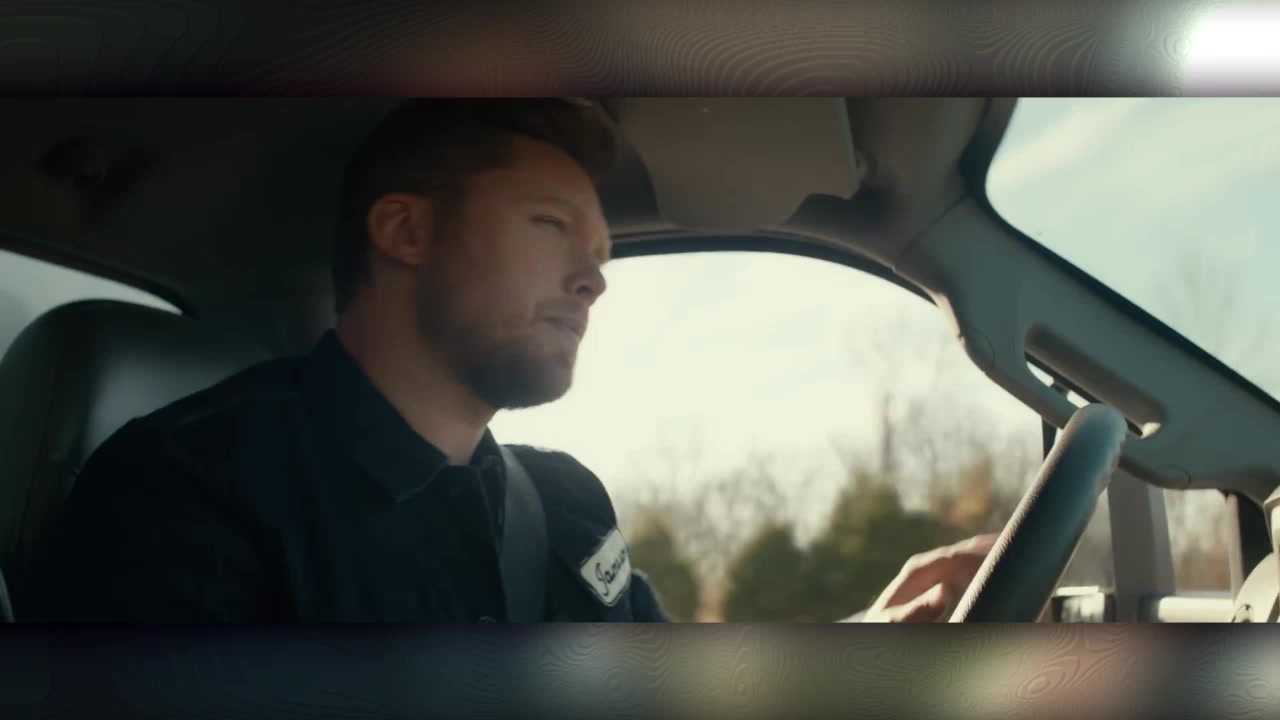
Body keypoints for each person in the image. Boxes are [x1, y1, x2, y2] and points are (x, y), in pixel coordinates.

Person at [26, 99, 995, 623]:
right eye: (548, 226)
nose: (593, 279)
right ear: (405, 231)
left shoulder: (565, 504)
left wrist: (872, 636)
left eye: (600, 252)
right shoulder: (188, 490)